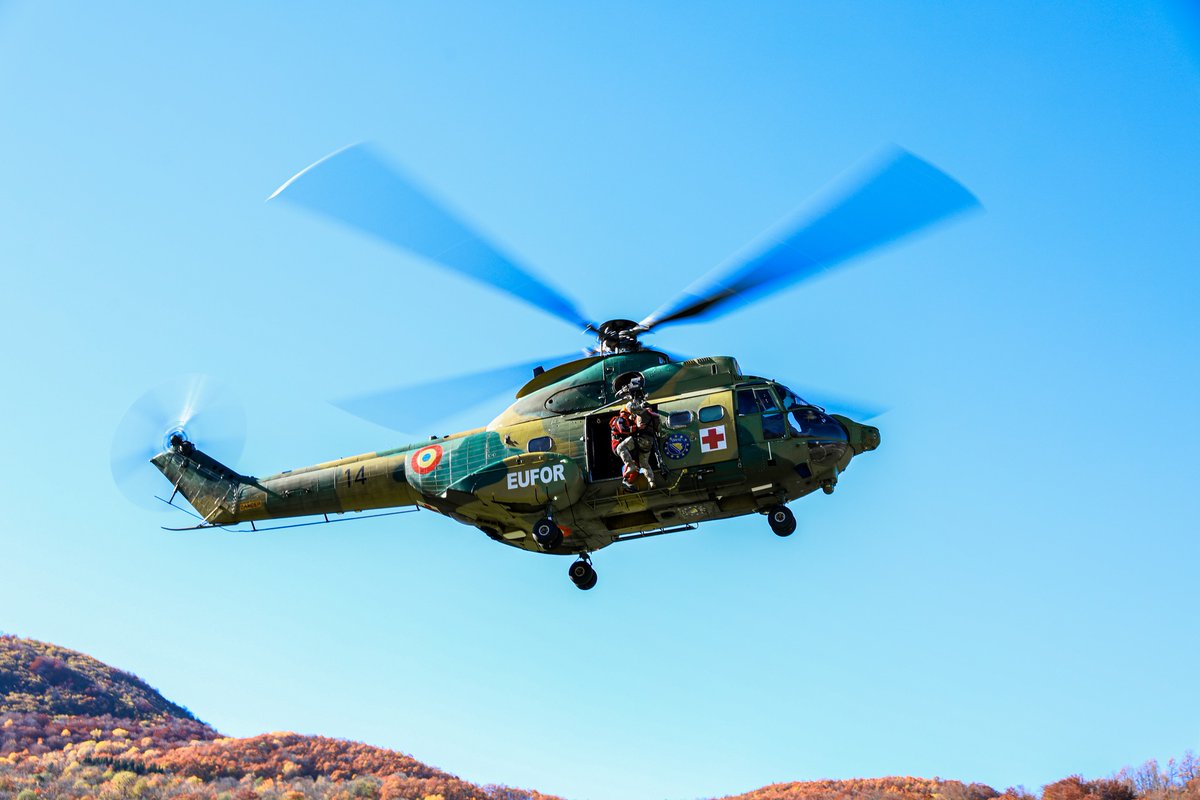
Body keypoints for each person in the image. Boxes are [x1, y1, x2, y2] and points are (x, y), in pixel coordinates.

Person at [610, 379, 663, 490]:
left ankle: (630, 467)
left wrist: (636, 426)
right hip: (649, 443)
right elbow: (659, 430)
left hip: (639, 440)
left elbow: (629, 411)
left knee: (621, 448)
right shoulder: (656, 417)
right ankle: (651, 481)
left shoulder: (638, 413)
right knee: (644, 464)